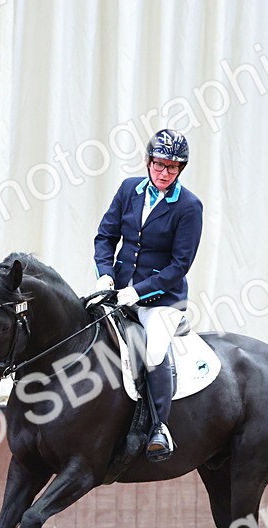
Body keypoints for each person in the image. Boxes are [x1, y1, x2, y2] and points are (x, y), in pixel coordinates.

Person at [93, 129, 203, 462]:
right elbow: (106, 236)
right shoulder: (129, 190)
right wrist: (105, 275)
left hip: (163, 301)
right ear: (148, 161)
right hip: (119, 291)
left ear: (180, 169)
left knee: (153, 351)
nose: (164, 172)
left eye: (172, 167)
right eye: (159, 164)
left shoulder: (189, 206)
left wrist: (137, 292)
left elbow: (178, 266)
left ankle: (159, 427)